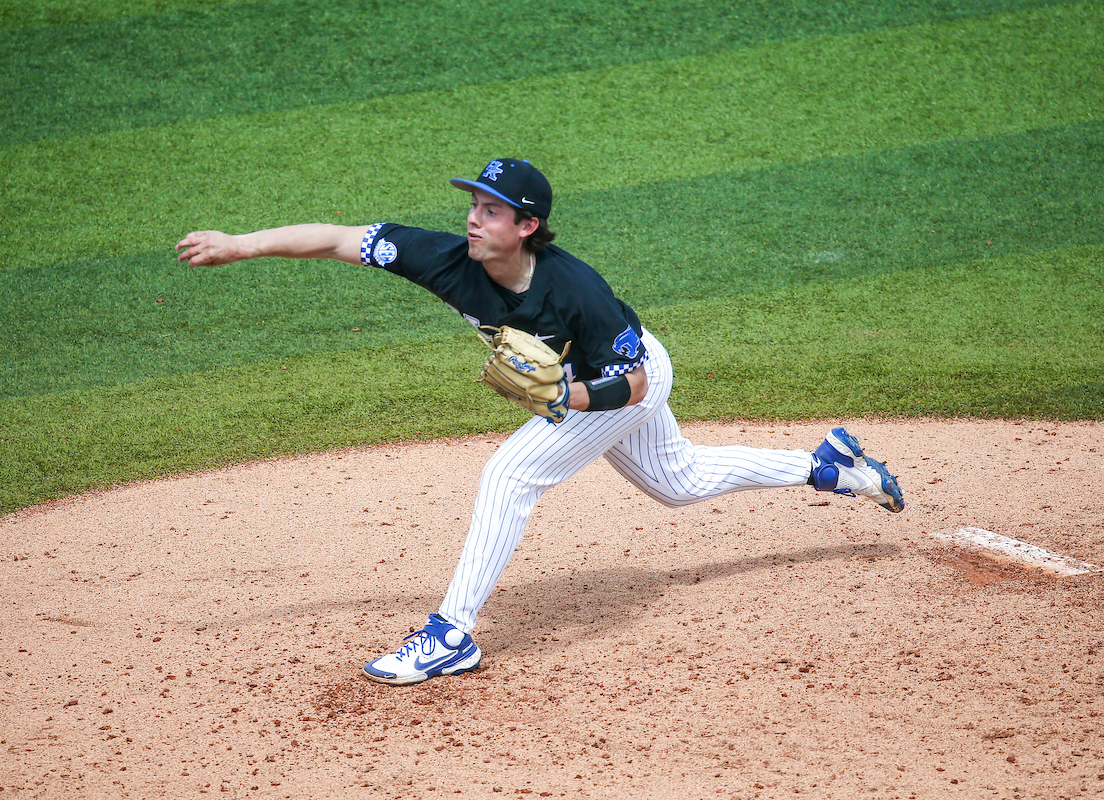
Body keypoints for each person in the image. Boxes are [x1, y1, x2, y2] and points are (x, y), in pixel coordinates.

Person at [176, 157, 905, 686]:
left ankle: (449, 635)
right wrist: (242, 244)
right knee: (676, 482)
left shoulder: (575, 292)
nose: (473, 216)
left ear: (526, 227)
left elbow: (636, 381)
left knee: (510, 472)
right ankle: (829, 465)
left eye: (492, 209)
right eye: (473, 203)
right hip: (590, 386)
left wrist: (566, 403)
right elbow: (339, 237)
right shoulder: (444, 257)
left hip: (620, 379)